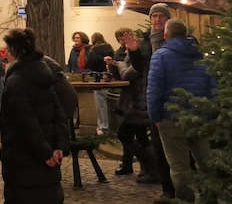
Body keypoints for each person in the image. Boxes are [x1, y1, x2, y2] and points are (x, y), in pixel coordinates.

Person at [147, 19, 216, 203]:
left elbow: (154, 89)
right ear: (185, 33)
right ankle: (210, 199)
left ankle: (185, 200)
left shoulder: (160, 56)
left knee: (179, 167)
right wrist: (210, 113)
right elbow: (212, 85)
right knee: (205, 163)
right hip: (200, 117)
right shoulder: (200, 54)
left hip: (171, 117)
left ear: (166, 35)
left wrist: (155, 116)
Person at [0, 28, 69, 204]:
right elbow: (59, 113)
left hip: (25, 159)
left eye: (7, 49)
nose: (5, 53)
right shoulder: (44, 73)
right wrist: (58, 146)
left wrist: (45, 153)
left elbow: (25, 123)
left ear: (15, 50)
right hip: (47, 157)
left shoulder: (17, 80)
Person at [107, 29, 159, 183]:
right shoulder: (132, 49)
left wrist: (120, 64)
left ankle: (152, 168)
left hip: (139, 100)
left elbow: (129, 73)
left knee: (125, 134)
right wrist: (114, 65)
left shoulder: (144, 48)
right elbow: (121, 74)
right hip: (133, 99)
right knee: (140, 136)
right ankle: (145, 169)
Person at [87, 32, 114, 135]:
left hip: (98, 78)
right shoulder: (109, 48)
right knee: (109, 104)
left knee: (100, 104)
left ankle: (103, 127)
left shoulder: (93, 50)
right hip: (109, 77)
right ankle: (110, 127)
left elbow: (90, 63)